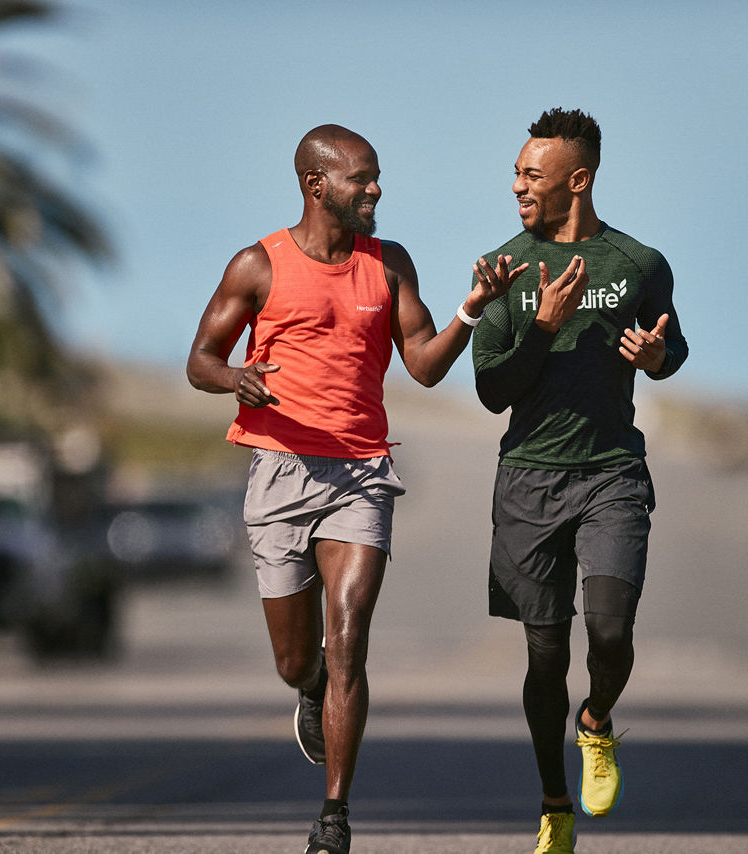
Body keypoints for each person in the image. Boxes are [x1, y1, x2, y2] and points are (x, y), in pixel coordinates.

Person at [186, 124, 523, 854]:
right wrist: (234, 376)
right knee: (296, 660)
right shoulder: (258, 265)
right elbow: (200, 359)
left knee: (349, 642)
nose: (375, 190)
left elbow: (425, 365)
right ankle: (308, 689)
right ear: (317, 186)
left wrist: (472, 310)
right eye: (360, 179)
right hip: (279, 471)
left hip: (361, 475)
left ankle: (333, 816)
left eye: (377, 178)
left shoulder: (388, 264)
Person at [470, 108, 688, 854]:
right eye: (518, 173)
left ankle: (596, 721)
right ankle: (554, 805)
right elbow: (492, 392)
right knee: (544, 657)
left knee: (610, 630)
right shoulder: (504, 267)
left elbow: (674, 345)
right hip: (528, 480)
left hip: (612, 473)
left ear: (578, 180)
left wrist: (657, 360)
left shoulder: (639, 264)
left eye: (532, 175)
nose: (517, 186)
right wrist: (540, 326)